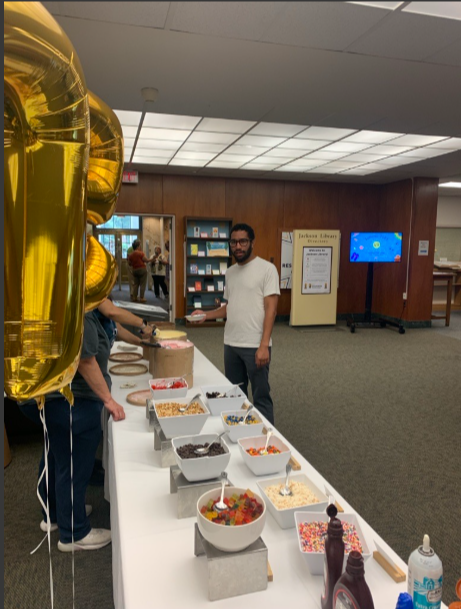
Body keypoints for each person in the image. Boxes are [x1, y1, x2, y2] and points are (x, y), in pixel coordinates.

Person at [19, 310, 126, 552]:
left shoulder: (59, 301)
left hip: (51, 397)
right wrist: (108, 400)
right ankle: (74, 532)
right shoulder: (78, 308)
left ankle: (55, 515)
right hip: (71, 401)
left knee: (57, 458)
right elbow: (85, 360)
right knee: (73, 466)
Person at [192, 223, 279, 424]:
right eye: (234, 242)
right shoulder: (230, 272)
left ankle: (267, 439)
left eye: (243, 241)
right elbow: (229, 307)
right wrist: (206, 315)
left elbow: (271, 310)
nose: (238, 246)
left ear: (252, 243)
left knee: (261, 397)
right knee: (235, 394)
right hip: (231, 344)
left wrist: (264, 345)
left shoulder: (267, 269)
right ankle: (240, 432)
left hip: (255, 346)